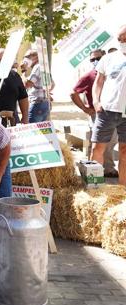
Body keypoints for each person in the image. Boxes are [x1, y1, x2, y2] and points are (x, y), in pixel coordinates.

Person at [71, 49, 118, 178]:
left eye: (98, 58)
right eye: (92, 59)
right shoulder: (90, 75)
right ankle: (95, 171)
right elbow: (73, 93)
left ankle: (107, 168)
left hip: (115, 113)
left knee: (111, 142)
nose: (95, 61)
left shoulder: (115, 73)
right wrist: (85, 109)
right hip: (97, 115)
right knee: (98, 143)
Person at [91, 25, 126, 186]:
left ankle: (123, 191)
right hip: (107, 110)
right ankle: (94, 188)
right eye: (119, 39)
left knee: (125, 152)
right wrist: (96, 102)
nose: (122, 42)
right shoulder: (109, 58)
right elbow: (98, 82)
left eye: (125, 39)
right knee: (97, 148)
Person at [23, 49, 54, 123]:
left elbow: (27, 85)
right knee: (41, 131)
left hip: (37, 104)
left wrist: (24, 71)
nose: (25, 59)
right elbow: (52, 84)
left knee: (32, 130)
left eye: (27, 56)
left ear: (36, 57)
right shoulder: (43, 67)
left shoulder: (37, 67)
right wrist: (44, 91)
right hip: (44, 103)